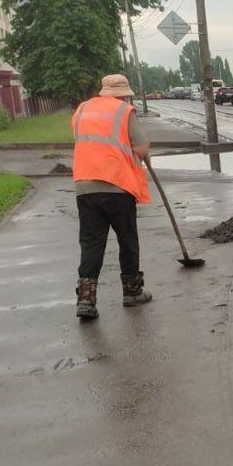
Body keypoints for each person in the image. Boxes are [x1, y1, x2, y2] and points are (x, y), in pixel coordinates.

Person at [72, 74, 153, 320]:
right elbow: (140, 148)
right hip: (118, 185)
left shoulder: (82, 110)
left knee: (91, 242)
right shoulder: (125, 111)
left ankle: (86, 299)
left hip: (86, 184)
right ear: (124, 94)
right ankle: (131, 292)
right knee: (127, 238)